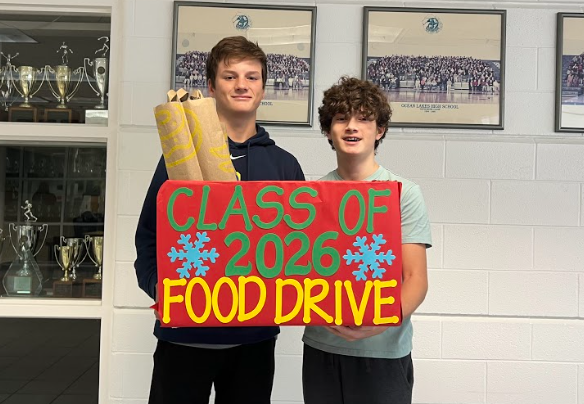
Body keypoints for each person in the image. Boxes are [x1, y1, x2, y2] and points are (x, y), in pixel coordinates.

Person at [135, 36, 305, 404]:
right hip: (183, 336)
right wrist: (158, 287)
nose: (241, 84)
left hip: (254, 341)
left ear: (263, 87)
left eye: (251, 76)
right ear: (211, 88)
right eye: (230, 76)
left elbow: (299, 251)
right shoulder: (180, 160)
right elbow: (149, 236)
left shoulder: (284, 166)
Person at [302, 76, 432, 404]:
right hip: (322, 349)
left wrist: (380, 322)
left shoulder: (405, 194)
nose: (352, 126)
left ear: (380, 129)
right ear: (329, 129)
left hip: (383, 353)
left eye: (363, 118)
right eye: (342, 118)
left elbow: (416, 279)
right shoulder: (310, 197)